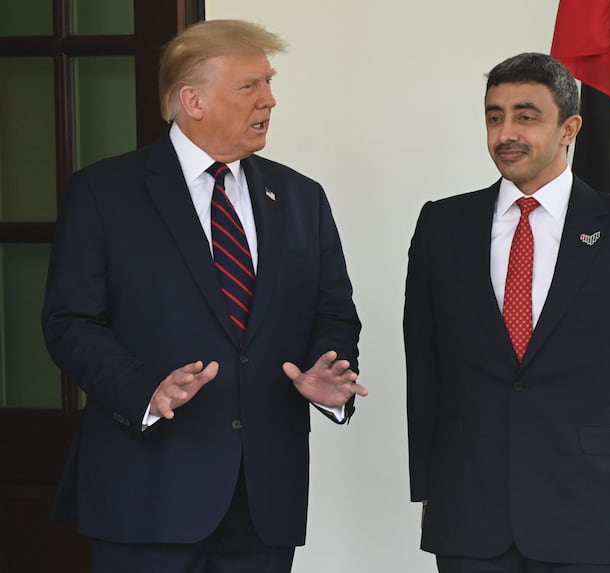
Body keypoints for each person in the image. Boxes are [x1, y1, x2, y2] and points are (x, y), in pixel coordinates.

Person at [41, 19, 366, 573]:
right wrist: (144, 389)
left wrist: (326, 370)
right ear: (192, 100)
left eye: (268, 82)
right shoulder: (103, 193)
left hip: (264, 501)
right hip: (146, 493)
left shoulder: (300, 197)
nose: (270, 99)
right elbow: (70, 322)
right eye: (250, 86)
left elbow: (333, 311)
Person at [403, 52, 610, 573]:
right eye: (494, 116)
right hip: (470, 514)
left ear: (569, 128)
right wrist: (430, 488)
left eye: (525, 116)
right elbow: (424, 367)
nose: (505, 132)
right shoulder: (442, 226)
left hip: (590, 509)